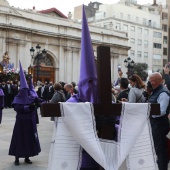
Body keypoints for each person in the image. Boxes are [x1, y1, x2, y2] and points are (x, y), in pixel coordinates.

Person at [8, 61, 42, 165]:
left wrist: (40, 104)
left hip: (30, 121)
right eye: (24, 89)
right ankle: (17, 158)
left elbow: (39, 101)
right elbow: (18, 108)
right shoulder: (17, 97)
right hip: (21, 122)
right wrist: (28, 107)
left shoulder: (32, 96)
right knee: (19, 138)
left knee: (29, 138)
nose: (26, 91)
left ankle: (27, 157)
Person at [148, 72, 170, 170]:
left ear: (157, 81)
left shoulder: (163, 93)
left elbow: (162, 110)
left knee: (160, 150)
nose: (150, 82)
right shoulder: (156, 91)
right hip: (156, 124)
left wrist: (149, 113)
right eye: (150, 80)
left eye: (152, 80)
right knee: (158, 149)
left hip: (160, 125)